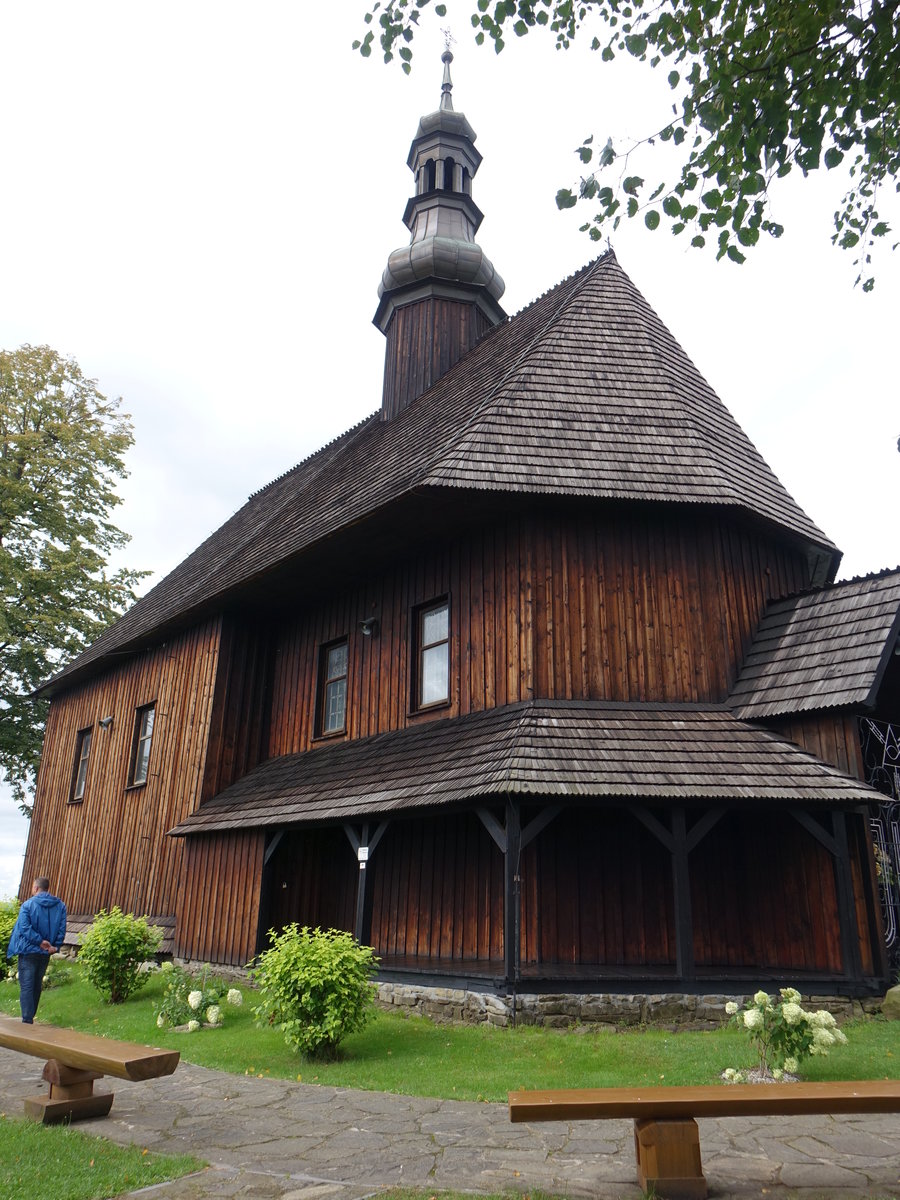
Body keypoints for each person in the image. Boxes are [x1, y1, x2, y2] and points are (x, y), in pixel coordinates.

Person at [7, 877, 67, 1023]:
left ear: (35, 888)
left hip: (28, 951)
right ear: (47, 888)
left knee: (27, 985)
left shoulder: (27, 905)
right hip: (46, 952)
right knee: (36, 985)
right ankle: (29, 1017)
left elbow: (24, 927)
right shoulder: (60, 906)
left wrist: (40, 942)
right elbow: (61, 929)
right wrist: (55, 946)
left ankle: (27, 1021)